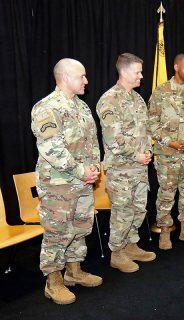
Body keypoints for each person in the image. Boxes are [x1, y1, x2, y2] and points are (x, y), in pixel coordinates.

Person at [31, 58, 102, 305]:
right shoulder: (46, 108)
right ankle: (53, 282)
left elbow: (92, 143)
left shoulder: (81, 107)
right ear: (65, 77)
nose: (86, 80)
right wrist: (81, 171)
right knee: (57, 232)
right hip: (58, 185)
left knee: (81, 227)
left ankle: (74, 271)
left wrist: (93, 170)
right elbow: (52, 149)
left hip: (82, 181)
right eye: (82, 76)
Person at [96, 53, 156, 273]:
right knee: (122, 213)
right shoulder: (109, 100)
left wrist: (148, 150)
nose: (141, 76)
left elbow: (146, 129)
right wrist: (135, 155)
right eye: (138, 72)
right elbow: (113, 139)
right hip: (121, 169)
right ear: (124, 71)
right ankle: (117, 253)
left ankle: (131, 245)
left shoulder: (137, 98)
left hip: (140, 168)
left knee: (139, 209)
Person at [148, 53, 184, 250]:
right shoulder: (161, 92)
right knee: (166, 194)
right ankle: (165, 231)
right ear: (176, 67)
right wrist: (171, 142)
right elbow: (152, 123)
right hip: (167, 155)